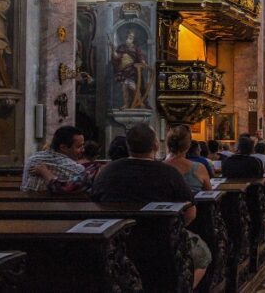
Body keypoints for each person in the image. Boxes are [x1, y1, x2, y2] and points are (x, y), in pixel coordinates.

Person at [90, 124, 209, 289]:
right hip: (161, 242)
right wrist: (174, 231)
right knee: (202, 253)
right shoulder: (168, 173)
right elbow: (190, 213)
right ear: (155, 145)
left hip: (115, 243)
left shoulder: (106, 171)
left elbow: (93, 205)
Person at [21, 125, 85, 192]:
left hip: (26, 202)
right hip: (59, 202)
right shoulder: (77, 169)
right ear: (63, 147)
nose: (83, 150)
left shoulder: (32, 159)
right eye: (79, 147)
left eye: (83, 145)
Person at [31, 139, 104, 195]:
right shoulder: (93, 168)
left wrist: (45, 172)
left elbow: (67, 187)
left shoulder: (83, 168)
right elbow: (66, 187)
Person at [164, 125, 211, 193]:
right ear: (188, 145)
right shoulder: (199, 168)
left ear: (168, 143)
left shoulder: (158, 168)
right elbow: (208, 194)